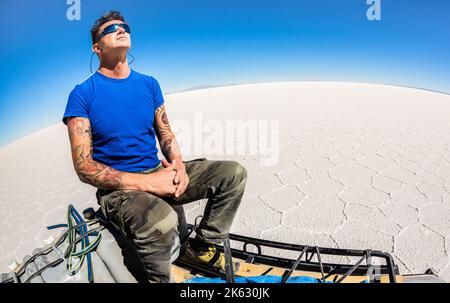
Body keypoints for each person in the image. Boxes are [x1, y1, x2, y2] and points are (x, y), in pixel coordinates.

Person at [62, 10, 247, 283]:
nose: (120, 29)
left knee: (233, 174)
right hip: (118, 191)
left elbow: (165, 132)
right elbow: (84, 166)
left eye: (124, 26)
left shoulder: (149, 84)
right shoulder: (83, 93)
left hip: (158, 171)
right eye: (110, 29)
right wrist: (149, 184)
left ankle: (202, 248)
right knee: (161, 220)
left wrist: (179, 165)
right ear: (96, 47)